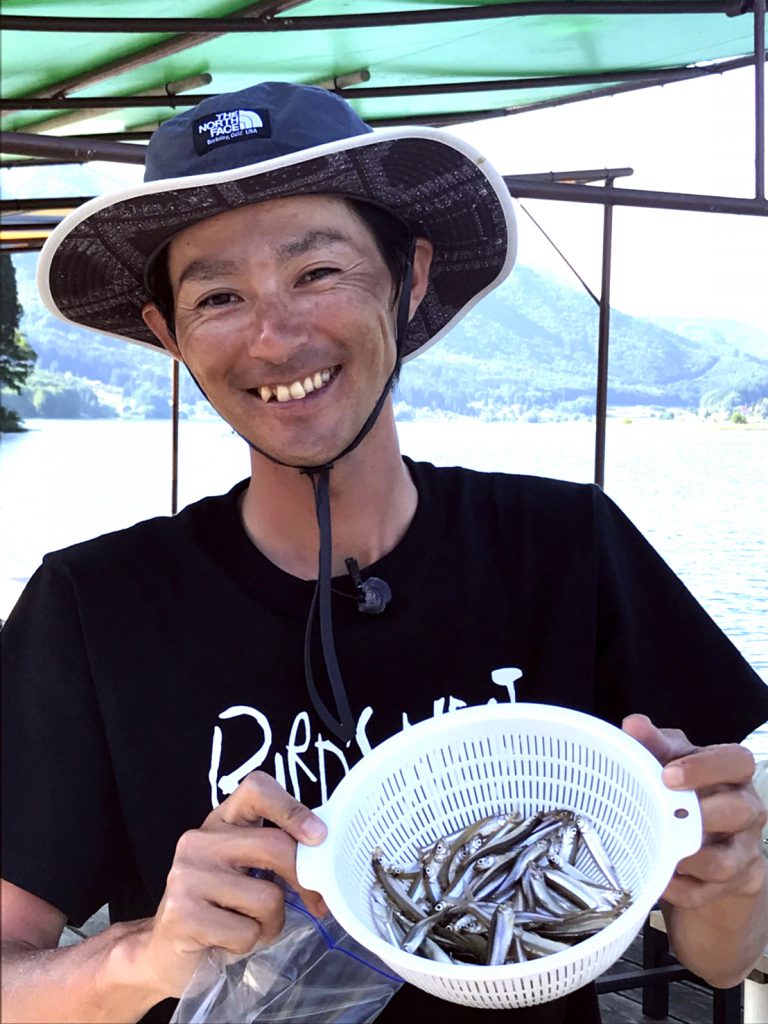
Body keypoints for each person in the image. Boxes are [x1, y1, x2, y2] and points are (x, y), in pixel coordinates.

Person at [1, 81, 767, 1024]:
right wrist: (143, 958)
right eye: (219, 296)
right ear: (170, 335)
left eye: (318, 272)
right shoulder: (93, 604)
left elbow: (721, 962)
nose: (275, 338)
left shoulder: (567, 548)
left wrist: (731, 882)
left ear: (409, 277)